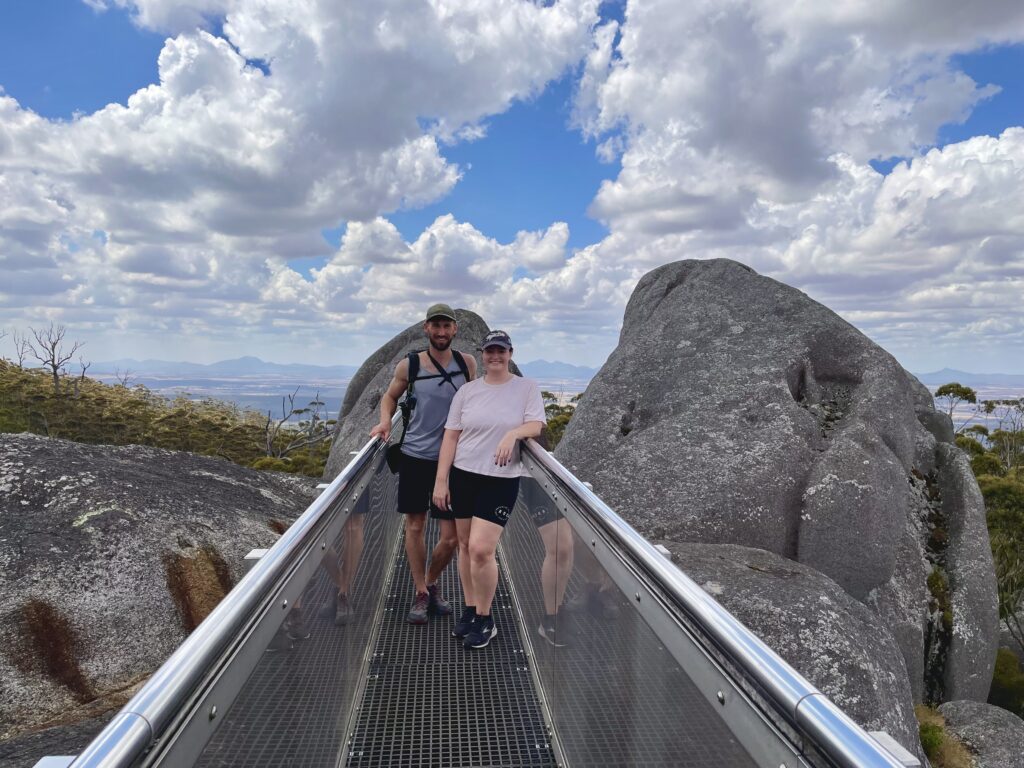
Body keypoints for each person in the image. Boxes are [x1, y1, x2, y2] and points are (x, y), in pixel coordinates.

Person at [432, 330, 546, 649]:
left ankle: (485, 618)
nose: (495, 355)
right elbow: (451, 437)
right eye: (490, 350)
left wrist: (512, 435)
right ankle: (470, 609)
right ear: (482, 354)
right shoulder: (468, 392)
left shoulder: (526, 388)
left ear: (510, 353)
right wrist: (441, 481)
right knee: (466, 546)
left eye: (501, 350)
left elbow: (536, 425)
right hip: (463, 475)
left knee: (482, 549)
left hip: (501, 478)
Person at [369, 304, 477, 624]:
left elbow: (474, 402)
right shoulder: (410, 365)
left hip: (455, 461)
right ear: (426, 329)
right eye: (436, 326)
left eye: (447, 326)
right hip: (416, 456)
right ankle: (420, 591)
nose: (441, 332)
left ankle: (430, 582)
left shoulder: (466, 363)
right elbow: (390, 397)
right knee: (415, 525)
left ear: (455, 330)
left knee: (452, 537)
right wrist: (385, 422)